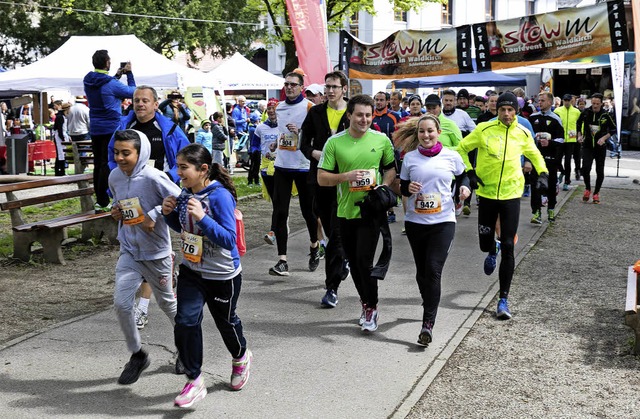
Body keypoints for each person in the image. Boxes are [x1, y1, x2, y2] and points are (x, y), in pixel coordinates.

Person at [162, 144, 251, 408]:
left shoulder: (220, 197)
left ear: (203, 170)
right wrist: (168, 215)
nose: (179, 173)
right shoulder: (184, 193)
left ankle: (240, 357)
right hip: (192, 271)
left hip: (222, 275)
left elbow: (228, 239)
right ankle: (194, 379)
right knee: (186, 321)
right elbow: (182, 227)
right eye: (177, 167)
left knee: (226, 323)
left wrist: (202, 217)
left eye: (183, 167)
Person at [457, 92, 548, 320]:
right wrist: (470, 172)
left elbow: (535, 154)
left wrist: (543, 173)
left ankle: (503, 299)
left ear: (515, 111)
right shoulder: (484, 130)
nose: (506, 114)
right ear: (496, 111)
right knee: (484, 242)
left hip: (511, 194)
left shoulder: (523, 132)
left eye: (510, 110)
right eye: (502, 110)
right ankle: (490, 249)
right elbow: (461, 149)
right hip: (487, 193)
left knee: (509, 245)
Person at [107, 129, 182, 385]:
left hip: (157, 253)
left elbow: (180, 199)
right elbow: (117, 204)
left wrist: (156, 212)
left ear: (140, 154)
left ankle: (186, 348)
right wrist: (115, 212)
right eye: (116, 152)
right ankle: (137, 355)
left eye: (126, 153)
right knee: (121, 303)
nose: (119, 158)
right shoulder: (115, 176)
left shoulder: (153, 176)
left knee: (168, 305)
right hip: (129, 250)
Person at [317, 94, 396, 332]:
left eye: (368, 115)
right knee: (354, 261)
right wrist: (346, 177)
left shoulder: (381, 140)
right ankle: (366, 303)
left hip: (371, 212)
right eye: (359, 115)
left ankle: (371, 308)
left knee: (365, 262)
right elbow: (322, 178)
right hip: (344, 212)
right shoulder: (334, 143)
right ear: (349, 115)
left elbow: (391, 170)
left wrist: (382, 188)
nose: (364, 120)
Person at [397, 114, 470, 345]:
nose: (426, 135)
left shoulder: (452, 156)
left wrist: (464, 190)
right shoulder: (410, 158)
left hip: (443, 222)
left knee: (433, 269)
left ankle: (427, 323)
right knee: (421, 272)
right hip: (416, 222)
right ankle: (428, 300)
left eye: (430, 131)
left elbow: (464, 177)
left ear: (438, 132)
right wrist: (408, 187)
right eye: (422, 132)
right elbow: (402, 188)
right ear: (417, 134)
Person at [300, 70, 350, 308]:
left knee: (337, 237)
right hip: (320, 179)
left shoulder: (352, 113)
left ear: (344, 89)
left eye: (334, 87)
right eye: (327, 87)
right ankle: (343, 259)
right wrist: (314, 153)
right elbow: (303, 143)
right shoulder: (316, 112)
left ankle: (331, 288)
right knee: (330, 231)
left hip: (346, 182)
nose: (330, 91)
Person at [268, 71, 318, 276]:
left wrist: (300, 132)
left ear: (301, 87)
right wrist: (275, 142)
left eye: (293, 84)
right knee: (280, 212)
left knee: (309, 212)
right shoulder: (278, 107)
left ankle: (315, 246)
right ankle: (282, 260)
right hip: (282, 165)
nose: (289, 87)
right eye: (286, 84)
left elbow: (316, 136)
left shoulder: (310, 108)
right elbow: (282, 133)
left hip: (303, 166)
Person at [84, 50, 136, 211]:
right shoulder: (110, 84)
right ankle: (107, 199)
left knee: (98, 163)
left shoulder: (88, 80)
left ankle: (100, 199)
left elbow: (105, 85)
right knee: (109, 162)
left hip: (95, 127)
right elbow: (133, 92)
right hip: (111, 127)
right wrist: (129, 74)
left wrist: (116, 75)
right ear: (107, 62)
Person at [108, 86, 190, 185]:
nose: (140, 104)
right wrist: (118, 177)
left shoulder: (170, 129)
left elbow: (188, 156)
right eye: (136, 101)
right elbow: (111, 156)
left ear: (155, 105)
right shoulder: (124, 128)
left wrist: (170, 176)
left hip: (162, 186)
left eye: (145, 101)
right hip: (131, 185)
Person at [528, 92, 565, 224]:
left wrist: (550, 143)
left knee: (550, 184)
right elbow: (527, 137)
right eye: (539, 100)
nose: (540, 103)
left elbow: (561, 139)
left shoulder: (556, 119)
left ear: (550, 102)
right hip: (536, 158)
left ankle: (551, 209)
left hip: (551, 158)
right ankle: (536, 212)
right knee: (535, 185)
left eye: (543, 100)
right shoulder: (533, 118)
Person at [576, 93, 616, 204]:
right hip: (588, 145)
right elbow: (578, 124)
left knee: (599, 170)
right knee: (585, 168)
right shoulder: (586, 112)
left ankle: (596, 193)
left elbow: (613, 129)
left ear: (601, 104)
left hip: (600, 147)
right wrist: (579, 135)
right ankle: (588, 189)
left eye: (597, 104)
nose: (595, 106)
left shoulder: (605, 115)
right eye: (593, 103)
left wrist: (604, 138)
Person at [254, 98, 280, 244]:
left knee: (279, 201)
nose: (271, 111)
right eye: (268, 109)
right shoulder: (260, 128)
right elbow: (255, 145)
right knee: (276, 202)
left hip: (281, 167)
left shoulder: (283, 126)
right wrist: (257, 152)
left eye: (273, 108)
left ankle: (274, 231)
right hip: (265, 167)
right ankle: (278, 228)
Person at [554, 93, 582, 191]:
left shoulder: (577, 112)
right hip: (560, 139)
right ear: (562, 101)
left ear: (571, 101)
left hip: (571, 140)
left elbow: (580, 124)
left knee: (567, 162)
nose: (566, 102)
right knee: (557, 160)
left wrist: (580, 135)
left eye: (568, 101)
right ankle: (562, 172)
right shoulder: (557, 110)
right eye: (565, 100)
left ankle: (567, 181)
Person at [52, 101, 70, 176]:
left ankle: (60, 170)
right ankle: (60, 171)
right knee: (61, 154)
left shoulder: (61, 116)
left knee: (61, 154)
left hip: (61, 135)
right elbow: (60, 129)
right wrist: (63, 138)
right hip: (59, 137)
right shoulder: (60, 117)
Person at [247, 114, 261, 186]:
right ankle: (250, 181)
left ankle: (256, 180)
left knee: (257, 166)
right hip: (254, 149)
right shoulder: (253, 129)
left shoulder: (253, 128)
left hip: (257, 149)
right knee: (253, 166)